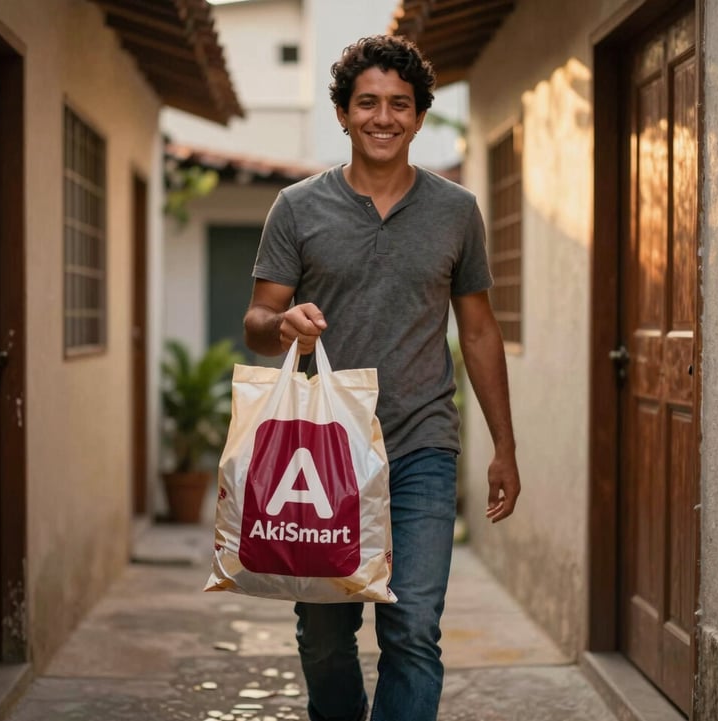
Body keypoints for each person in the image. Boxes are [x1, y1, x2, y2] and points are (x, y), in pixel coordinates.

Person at [243, 34, 520, 721]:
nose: (384, 117)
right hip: (323, 452)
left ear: (420, 116)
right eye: (367, 102)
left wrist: (504, 447)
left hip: (422, 444)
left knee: (414, 629)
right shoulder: (298, 207)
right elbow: (255, 318)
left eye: (400, 104)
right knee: (327, 637)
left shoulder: (456, 210)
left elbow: (480, 330)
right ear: (342, 113)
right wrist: (284, 325)